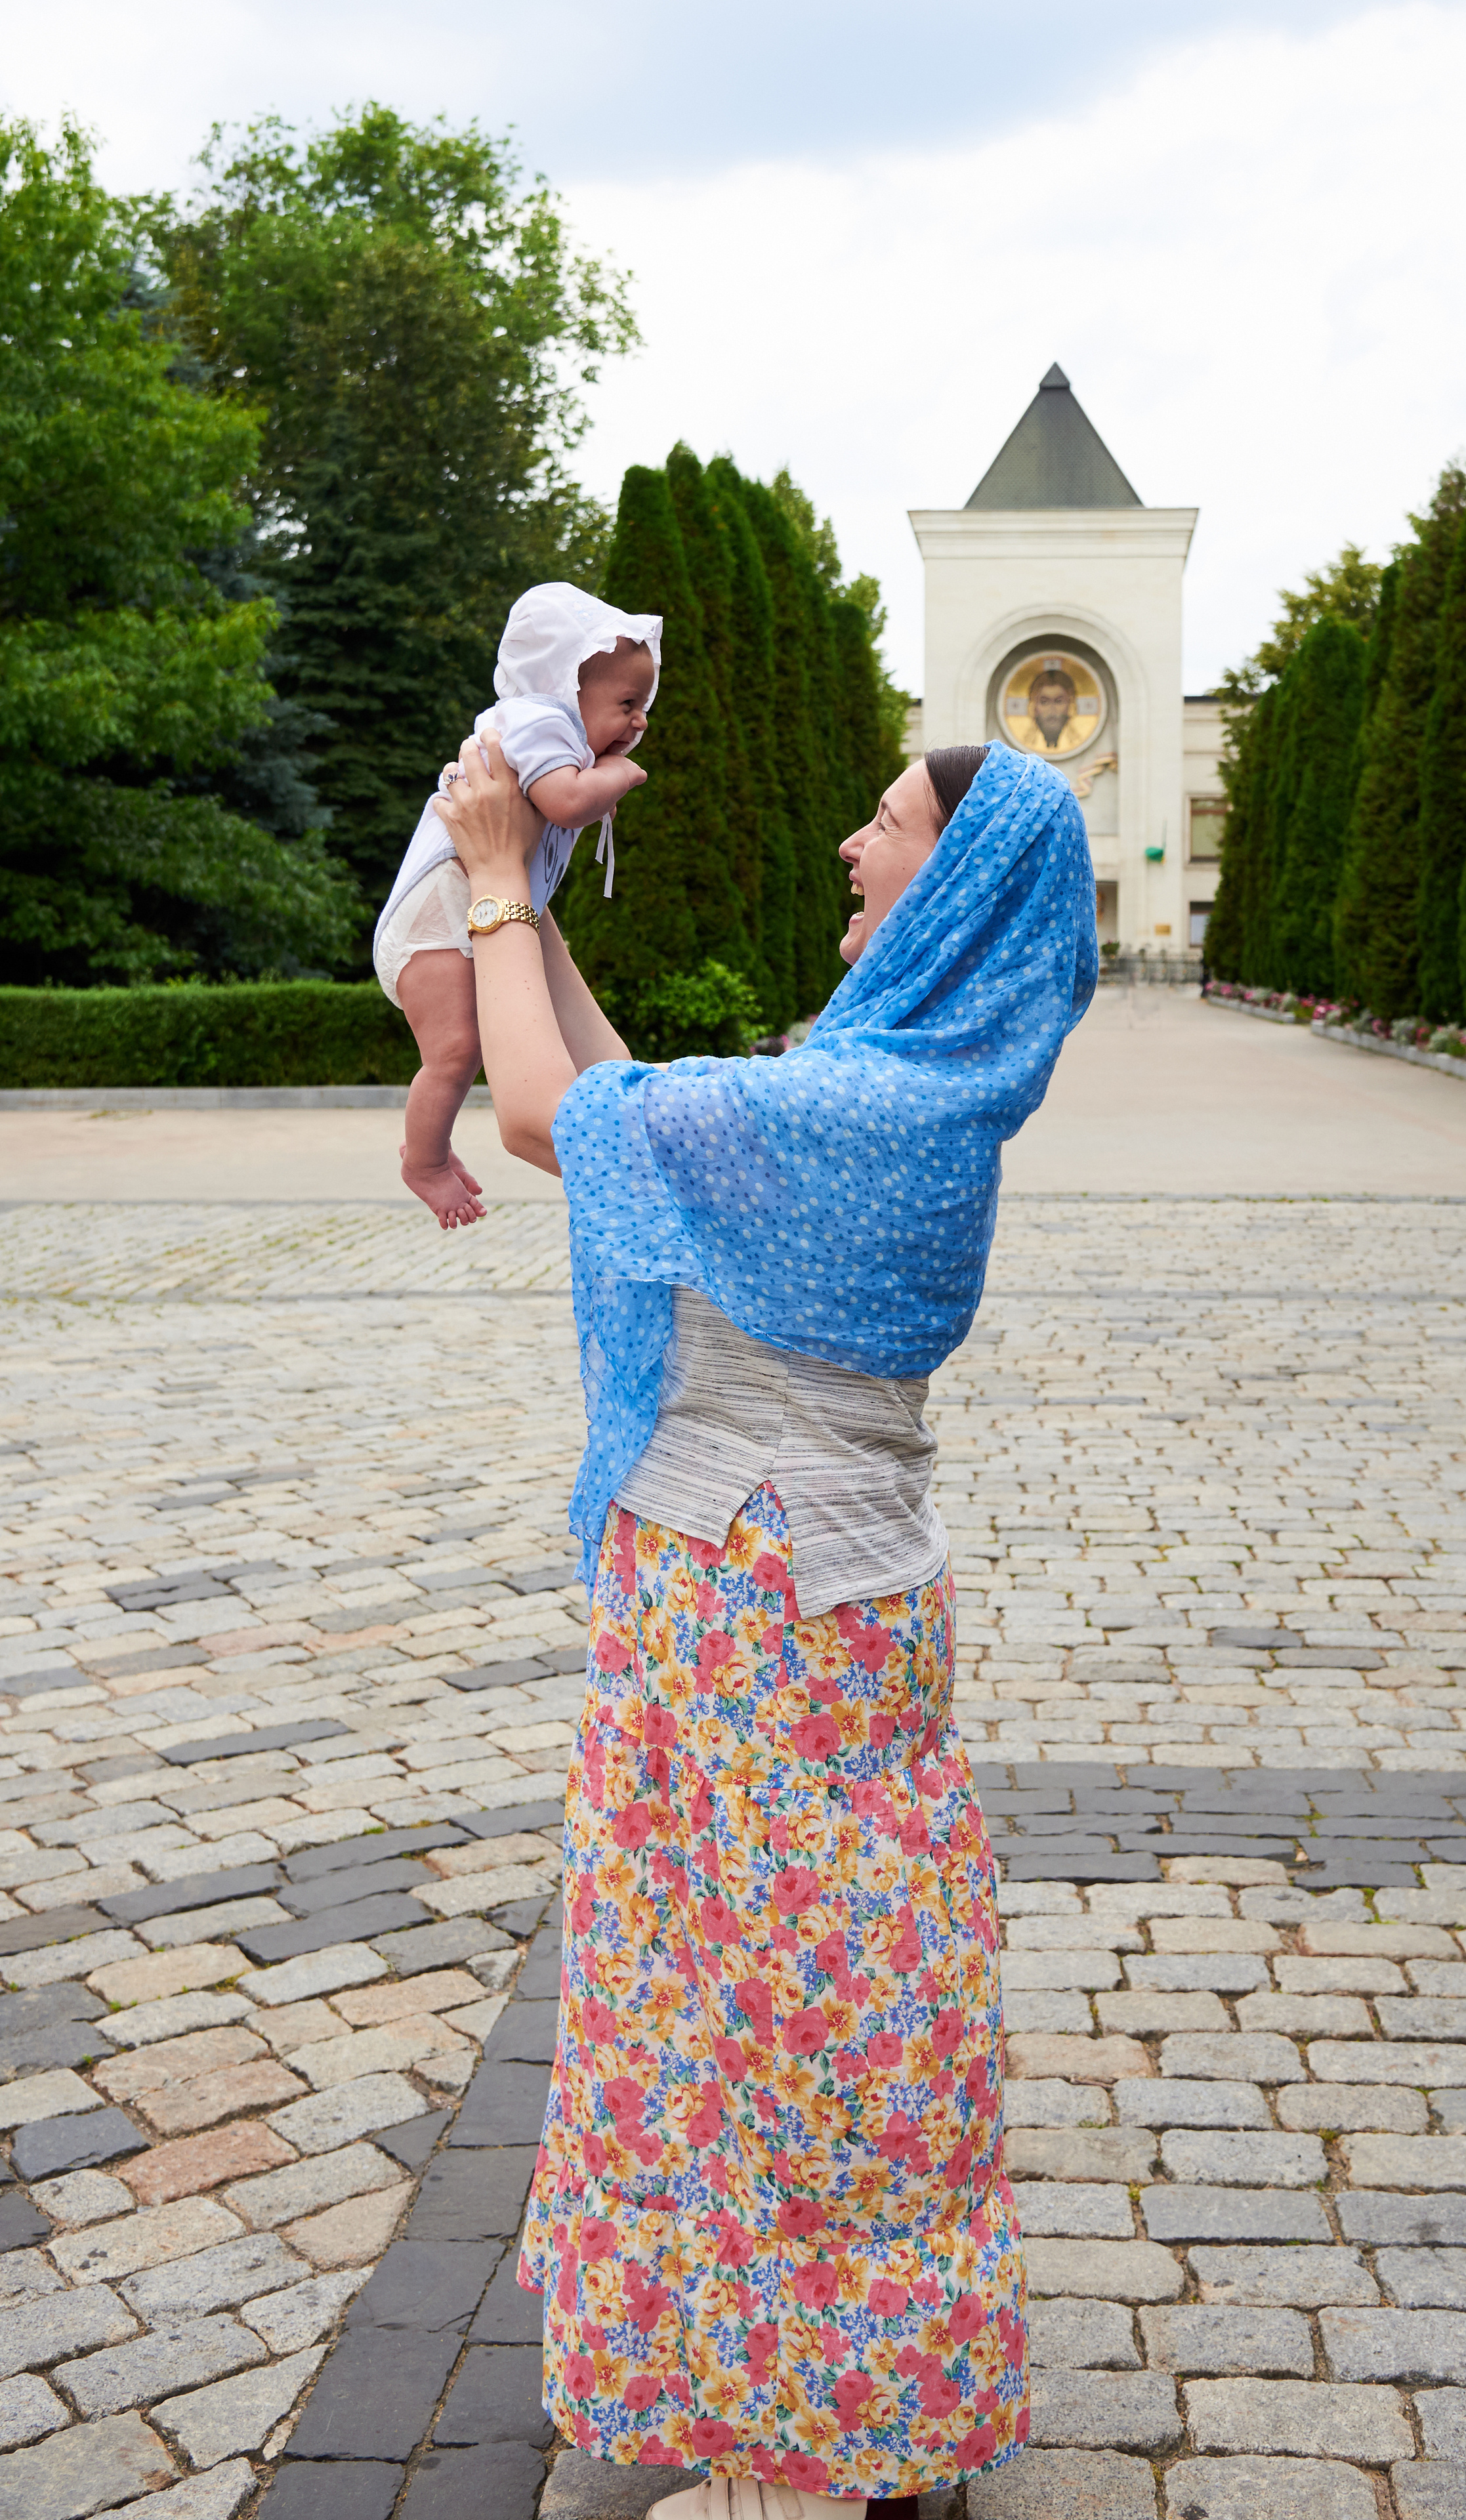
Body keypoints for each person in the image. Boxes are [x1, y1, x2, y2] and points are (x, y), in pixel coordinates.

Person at [432, 731, 1097, 2520]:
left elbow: (543, 1119)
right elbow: (628, 1103)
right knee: (765, 1990)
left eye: (884, 822)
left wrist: (488, 883)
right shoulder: (893, 1088)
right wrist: (539, 900)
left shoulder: (861, 1108)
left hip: (757, 1605)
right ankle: (789, 2386)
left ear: (956, 886)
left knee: (770, 2010)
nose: (847, 845)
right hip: (785, 1597)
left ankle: (803, 2434)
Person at [373, 583, 661, 1230]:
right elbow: (566, 803)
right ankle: (425, 1161)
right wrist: (620, 776)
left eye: (643, 705)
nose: (640, 721)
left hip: (465, 910)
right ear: (567, 688)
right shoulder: (537, 721)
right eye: (627, 704)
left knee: (473, 1048)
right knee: (455, 1051)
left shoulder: (560, 739)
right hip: (435, 919)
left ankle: (429, 1146)